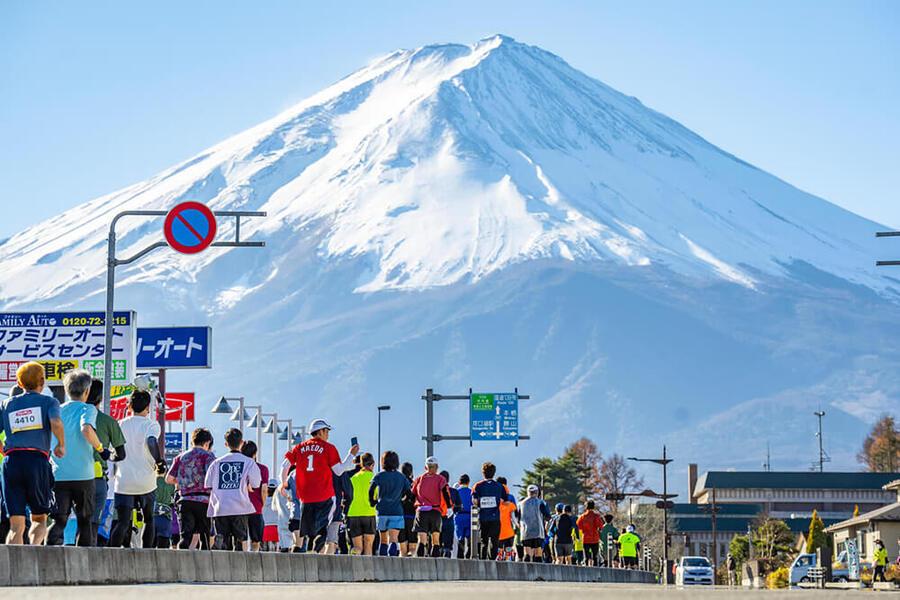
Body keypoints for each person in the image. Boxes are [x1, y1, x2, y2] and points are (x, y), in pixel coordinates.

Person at [0, 362, 64, 545]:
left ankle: (13, 569)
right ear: (42, 381)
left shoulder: (7, 404)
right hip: (37, 460)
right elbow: (56, 423)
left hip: (11, 461)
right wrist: (61, 444)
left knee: (15, 525)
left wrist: (4, 451)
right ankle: (34, 552)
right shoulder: (49, 401)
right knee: (39, 518)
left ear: (19, 384)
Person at [280, 418, 358, 552]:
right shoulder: (329, 448)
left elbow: (284, 465)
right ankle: (319, 540)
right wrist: (351, 455)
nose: (328, 434)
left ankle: (311, 544)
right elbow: (338, 471)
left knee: (309, 530)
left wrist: (283, 484)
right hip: (324, 495)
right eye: (327, 431)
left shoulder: (299, 447)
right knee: (325, 526)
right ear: (320, 431)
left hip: (305, 496)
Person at [47, 369, 104, 546]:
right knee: (85, 521)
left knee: (59, 520)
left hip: (59, 474)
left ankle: (47, 559)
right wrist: (101, 448)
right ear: (87, 391)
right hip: (83, 476)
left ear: (66, 390)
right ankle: (84, 566)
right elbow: (86, 429)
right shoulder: (88, 409)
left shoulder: (56, 410)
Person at [109, 390, 164, 548]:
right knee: (149, 519)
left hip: (124, 481)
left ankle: (111, 554)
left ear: (129, 406)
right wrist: (159, 461)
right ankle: (146, 554)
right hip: (146, 482)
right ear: (148, 407)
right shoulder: (151, 424)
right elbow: (152, 441)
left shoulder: (120, 424)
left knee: (123, 522)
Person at [204, 428, 261, 551]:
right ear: (242, 443)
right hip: (240, 507)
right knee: (241, 542)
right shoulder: (249, 462)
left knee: (222, 541)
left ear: (226, 444)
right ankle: (239, 566)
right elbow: (256, 484)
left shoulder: (216, 463)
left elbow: (208, 484)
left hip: (220, 508)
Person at [85, 378, 126, 546]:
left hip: (66, 475)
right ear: (100, 398)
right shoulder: (108, 421)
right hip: (96, 476)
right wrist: (107, 455)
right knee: (94, 521)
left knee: (75, 520)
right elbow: (121, 454)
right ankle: (90, 557)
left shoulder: (65, 415)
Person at [166, 427, 215, 549]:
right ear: (207, 442)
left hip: (185, 501)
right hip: (203, 501)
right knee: (205, 538)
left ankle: (180, 564)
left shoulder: (180, 457)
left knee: (185, 538)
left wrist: (184, 481)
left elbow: (169, 479)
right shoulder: (208, 457)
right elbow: (213, 478)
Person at [369, 450, 409, 557]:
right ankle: (392, 558)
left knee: (383, 539)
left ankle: (382, 559)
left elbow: (371, 489)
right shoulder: (401, 477)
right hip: (396, 511)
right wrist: (403, 501)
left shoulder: (379, 475)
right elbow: (409, 493)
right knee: (393, 539)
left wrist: (372, 501)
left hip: (382, 510)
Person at [411, 456, 452, 558]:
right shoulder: (441, 479)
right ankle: (435, 563)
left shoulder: (419, 479)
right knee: (436, 539)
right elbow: (445, 493)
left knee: (422, 540)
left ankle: (419, 562)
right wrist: (449, 507)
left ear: (426, 467)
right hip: (435, 511)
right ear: (437, 467)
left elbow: (412, 495)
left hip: (421, 511)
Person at [472, 462, 505, 560]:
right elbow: (503, 500)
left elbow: (474, 501)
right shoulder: (499, 486)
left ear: (483, 473)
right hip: (495, 517)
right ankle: (492, 560)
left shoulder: (478, 486)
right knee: (494, 540)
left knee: (484, 540)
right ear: (494, 473)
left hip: (483, 517)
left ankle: (483, 559)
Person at [241, 440, 269, 552]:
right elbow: (263, 490)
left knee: (242, 539)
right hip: (256, 508)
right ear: (255, 453)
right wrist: (262, 504)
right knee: (255, 541)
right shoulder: (262, 469)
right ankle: (253, 562)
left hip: (240, 507)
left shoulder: (239, 467)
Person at [346, 452, 376, 555]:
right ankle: (368, 569)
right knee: (368, 545)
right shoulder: (374, 478)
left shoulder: (353, 478)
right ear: (372, 464)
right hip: (369, 513)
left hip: (353, 513)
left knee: (357, 547)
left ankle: (353, 557)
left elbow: (348, 495)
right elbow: (376, 496)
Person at [518, 484, 551, 562]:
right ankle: (538, 572)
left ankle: (526, 572)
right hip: (538, 532)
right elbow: (548, 516)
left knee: (527, 554)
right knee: (538, 554)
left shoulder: (520, 504)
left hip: (525, 532)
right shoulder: (541, 502)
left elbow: (517, 518)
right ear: (537, 492)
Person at [439, 469, 460, 558]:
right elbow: (459, 506)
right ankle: (447, 554)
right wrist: (453, 511)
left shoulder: (436, 491)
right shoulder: (454, 491)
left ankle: (438, 553)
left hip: (437, 518)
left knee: (437, 539)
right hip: (449, 519)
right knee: (448, 542)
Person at [576, 500, 603, 566]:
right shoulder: (596, 516)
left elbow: (578, 526)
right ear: (593, 507)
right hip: (595, 538)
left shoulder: (582, 516)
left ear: (586, 507)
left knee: (586, 557)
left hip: (586, 539)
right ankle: (596, 569)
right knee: (595, 557)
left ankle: (586, 570)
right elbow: (600, 526)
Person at [400, 462, 417, 556]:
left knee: (402, 548)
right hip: (412, 516)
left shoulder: (398, 483)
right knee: (412, 548)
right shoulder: (414, 484)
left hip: (400, 517)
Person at [153, 474, 175, 548]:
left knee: (149, 545)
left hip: (152, 515)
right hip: (166, 516)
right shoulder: (170, 482)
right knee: (163, 546)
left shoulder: (151, 480)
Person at [454, 474, 473, 559]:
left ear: (459, 482)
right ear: (468, 482)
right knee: (469, 537)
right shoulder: (472, 492)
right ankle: (468, 555)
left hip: (459, 516)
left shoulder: (456, 492)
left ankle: (460, 556)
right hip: (470, 516)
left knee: (460, 537)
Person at [497, 493, 518, 561]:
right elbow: (514, 518)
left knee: (499, 549)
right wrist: (517, 526)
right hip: (509, 532)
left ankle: (500, 558)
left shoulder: (496, 505)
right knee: (508, 548)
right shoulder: (510, 505)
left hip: (499, 532)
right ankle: (507, 559)